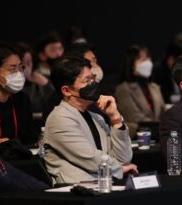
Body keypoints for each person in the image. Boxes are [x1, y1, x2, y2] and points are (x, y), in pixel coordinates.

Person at [44, 55, 137, 184]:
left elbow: (123, 158)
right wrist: (118, 169)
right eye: (86, 80)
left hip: (104, 183)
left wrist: (115, 119)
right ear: (66, 90)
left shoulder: (97, 117)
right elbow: (89, 158)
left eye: (92, 79)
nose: (92, 84)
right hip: (75, 189)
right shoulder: (59, 119)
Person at [0, 41, 37, 147]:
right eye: (12, 69)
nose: (19, 73)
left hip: (20, 159)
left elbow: (31, 139)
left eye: (20, 67)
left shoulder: (23, 99)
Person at [115, 45, 165, 138]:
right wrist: (161, 127)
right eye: (143, 60)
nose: (148, 63)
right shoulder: (124, 89)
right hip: (137, 137)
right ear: (132, 64)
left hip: (158, 135)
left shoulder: (154, 87)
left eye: (148, 59)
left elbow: (163, 111)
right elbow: (135, 117)